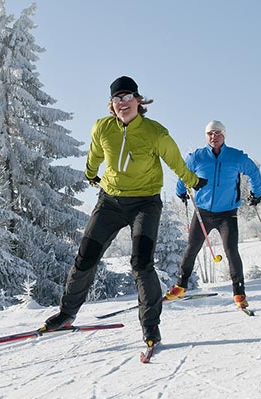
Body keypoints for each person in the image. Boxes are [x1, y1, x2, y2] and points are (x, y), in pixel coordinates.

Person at [40, 76, 205, 348]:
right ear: (111, 104)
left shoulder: (155, 132)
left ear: (139, 101)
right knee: (85, 258)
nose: (123, 103)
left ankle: (151, 327)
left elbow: (175, 161)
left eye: (128, 97)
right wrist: (91, 174)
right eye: (118, 98)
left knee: (141, 264)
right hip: (110, 203)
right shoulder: (102, 128)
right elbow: (95, 154)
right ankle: (67, 314)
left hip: (145, 204)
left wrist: (192, 180)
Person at [166, 120, 261, 310]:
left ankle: (239, 293)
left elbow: (253, 171)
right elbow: (183, 173)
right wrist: (180, 191)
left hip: (227, 214)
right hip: (203, 212)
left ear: (224, 135)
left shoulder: (235, 157)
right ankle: (180, 286)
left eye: (217, 133)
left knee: (231, 251)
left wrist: (256, 193)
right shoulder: (197, 157)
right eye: (210, 133)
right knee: (191, 249)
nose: (213, 137)